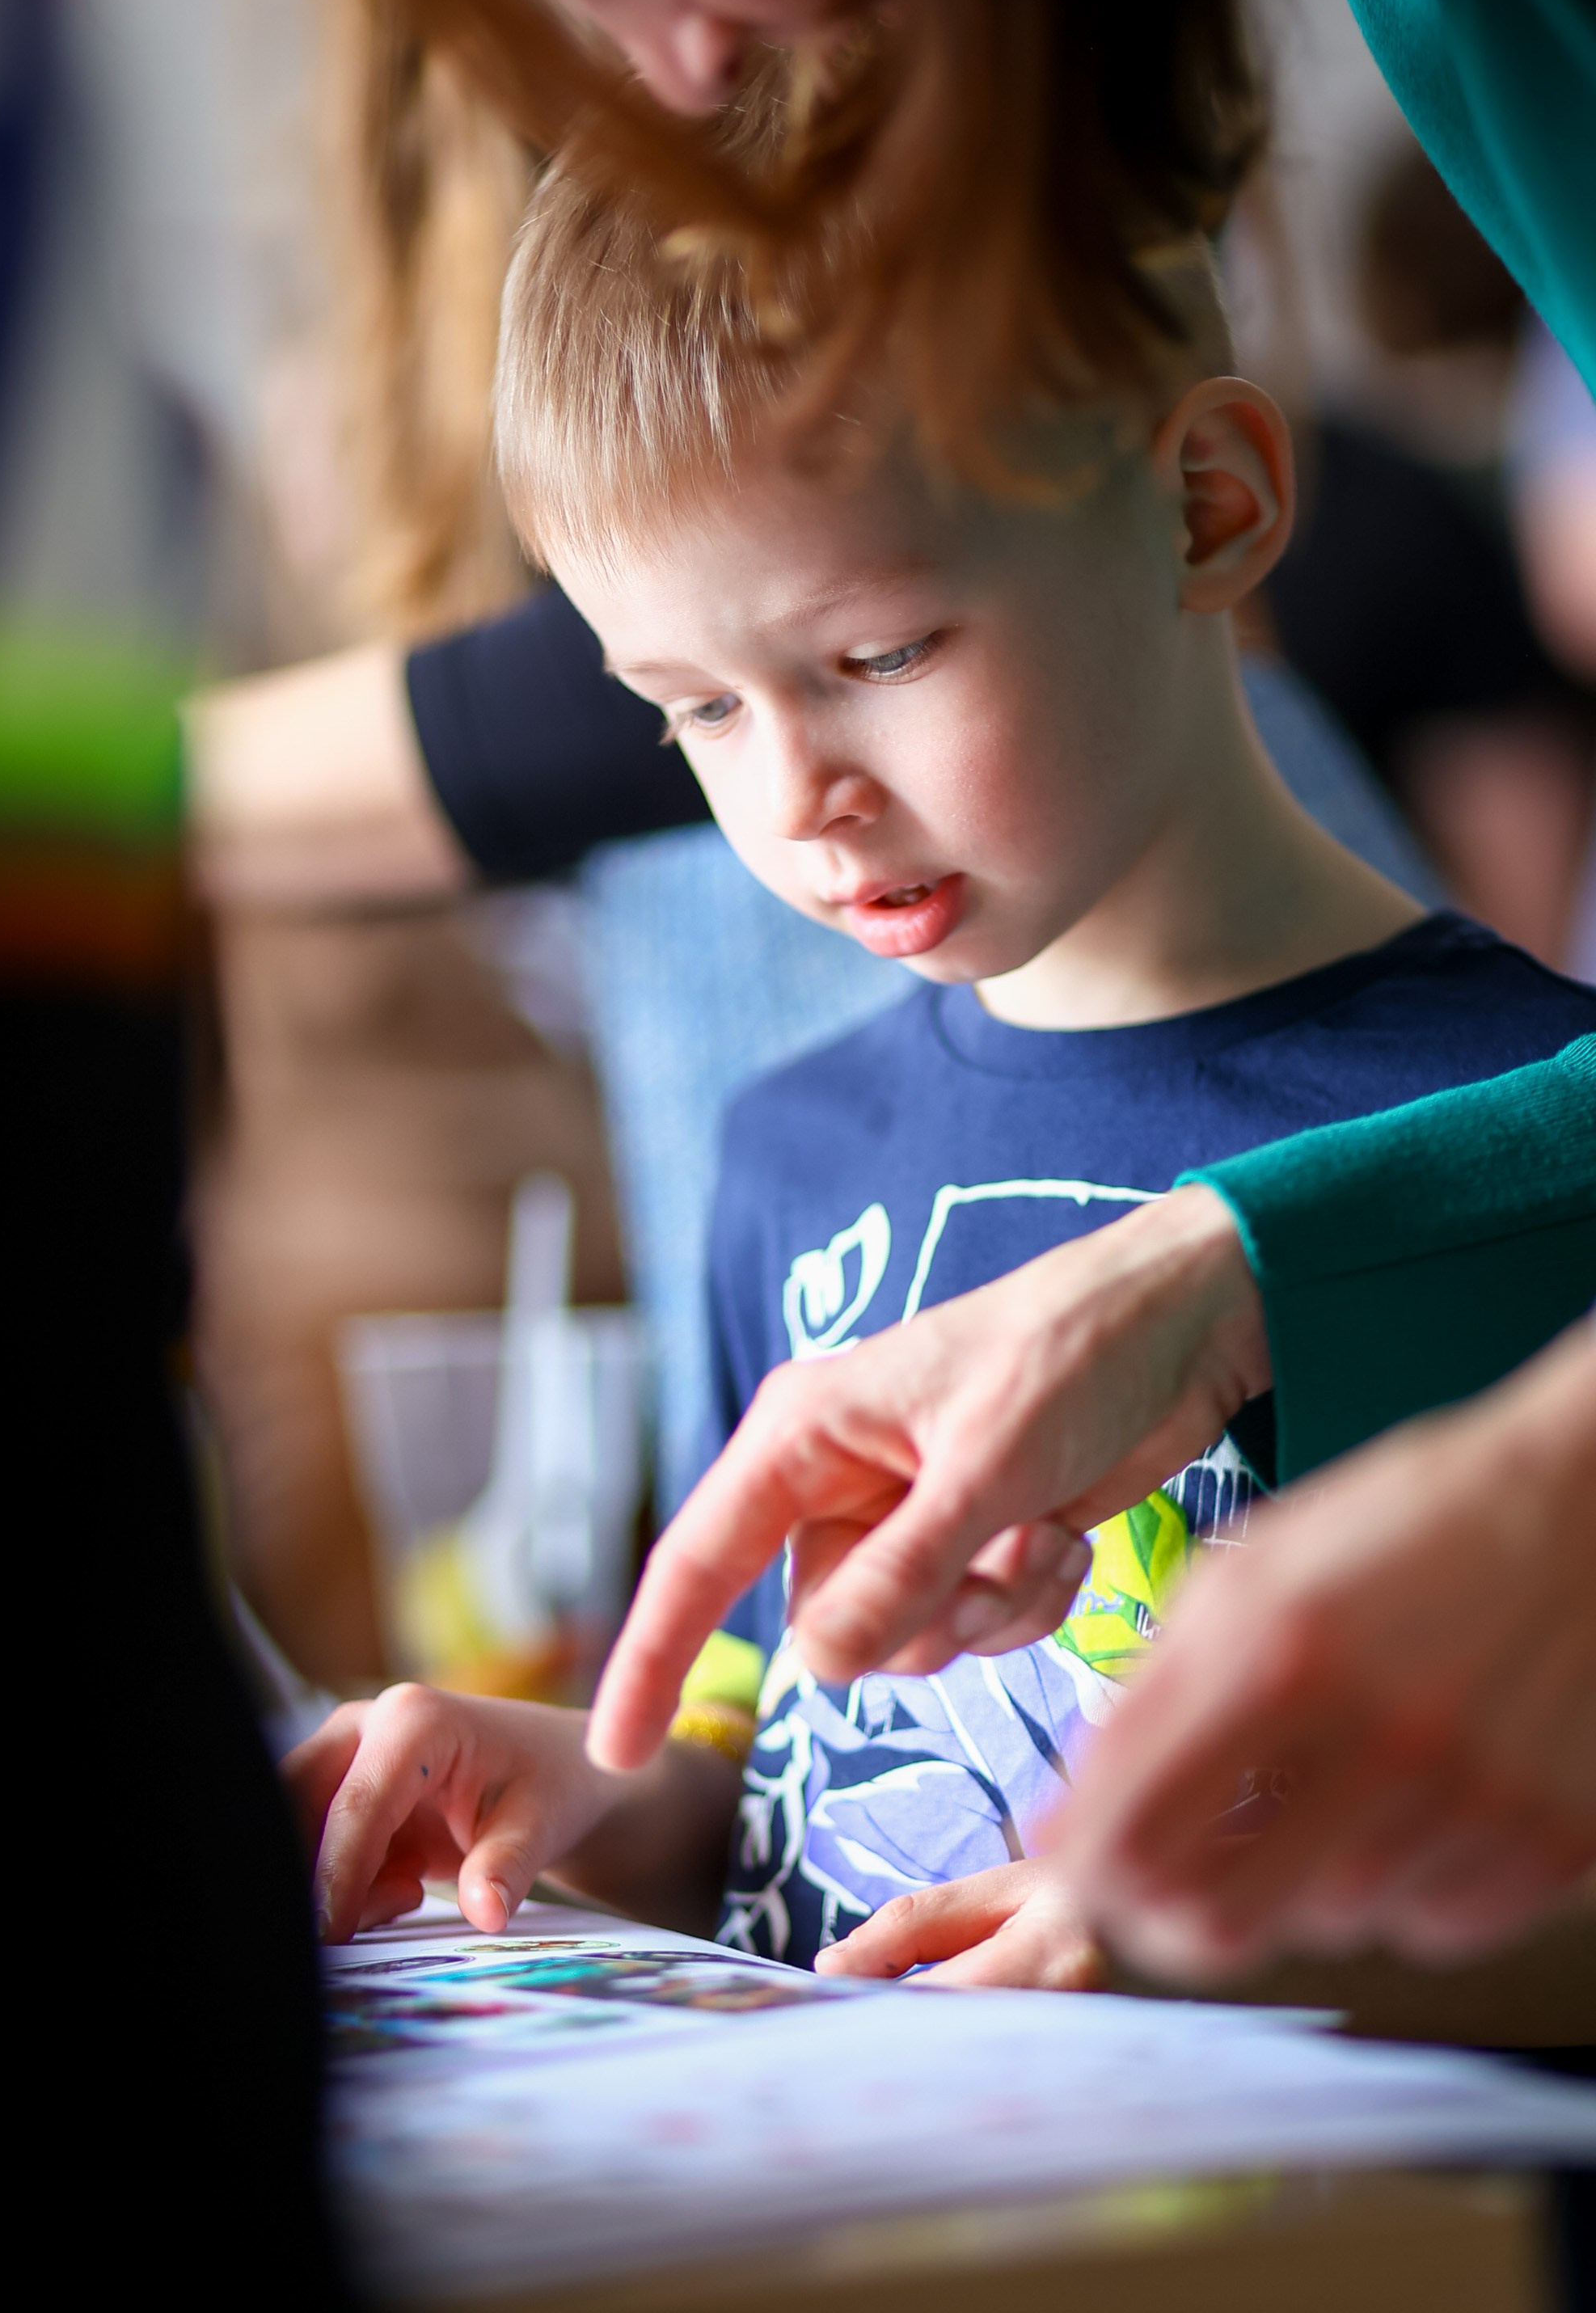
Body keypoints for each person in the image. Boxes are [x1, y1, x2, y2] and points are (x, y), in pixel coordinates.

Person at [289, 135, 1596, 1968]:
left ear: (1206, 507)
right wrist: (587, 1787)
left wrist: (1230, 1919)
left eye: (881, 653)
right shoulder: (783, 1155)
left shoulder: (1519, 1146)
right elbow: (780, 1766)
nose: (795, 798)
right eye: (694, 711)